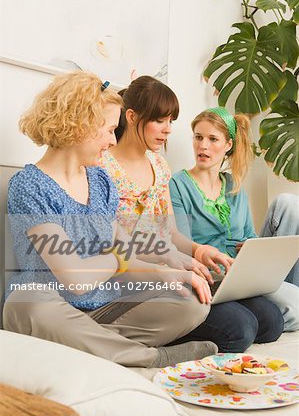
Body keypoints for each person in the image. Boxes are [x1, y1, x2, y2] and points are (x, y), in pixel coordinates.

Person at [3, 71, 221, 369]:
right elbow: (76, 278)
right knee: (27, 302)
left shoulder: (101, 180)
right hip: (52, 305)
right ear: (79, 126)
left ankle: (89, 345)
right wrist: (120, 259)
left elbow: (125, 249)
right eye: (108, 130)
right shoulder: (29, 186)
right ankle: (147, 357)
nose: (111, 140)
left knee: (190, 303)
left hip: (103, 308)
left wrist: (170, 273)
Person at [100, 77, 284, 352]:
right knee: (241, 329)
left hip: (170, 268)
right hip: (138, 277)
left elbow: (171, 234)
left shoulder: (159, 165)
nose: (168, 130)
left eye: (171, 121)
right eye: (161, 121)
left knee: (271, 322)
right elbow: (112, 247)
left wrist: (199, 252)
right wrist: (170, 266)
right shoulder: (103, 165)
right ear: (131, 116)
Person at [169, 107, 299, 338]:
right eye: (198, 137)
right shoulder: (178, 184)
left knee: (291, 205)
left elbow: (249, 233)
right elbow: (180, 242)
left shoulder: (234, 186)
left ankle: (278, 293)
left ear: (228, 145)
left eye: (212, 139)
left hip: (245, 272)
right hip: (215, 275)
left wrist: (252, 246)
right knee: (287, 312)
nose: (203, 146)